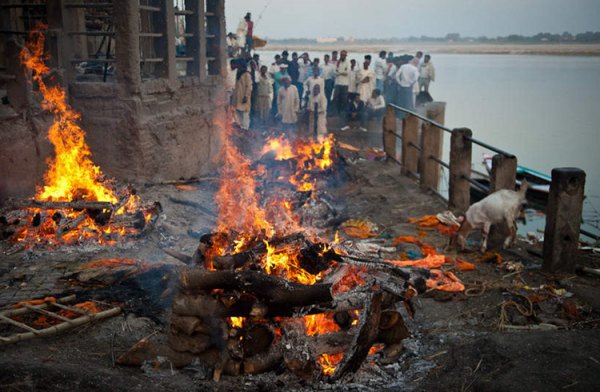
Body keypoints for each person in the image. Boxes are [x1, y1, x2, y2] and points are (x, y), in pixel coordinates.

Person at [235, 61, 253, 130]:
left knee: (245, 114)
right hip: (238, 97)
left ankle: (245, 128)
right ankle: (241, 128)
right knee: (239, 113)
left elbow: (249, 87)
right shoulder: (238, 74)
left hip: (244, 97)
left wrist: (246, 96)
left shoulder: (247, 75)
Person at [332, 50, 350, 116]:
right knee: (335, 98)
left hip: (345, 84)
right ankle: (335, 113)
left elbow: (347, 72)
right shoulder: (337, 63)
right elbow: (334, 72)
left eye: (344, 55)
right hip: (337, 83)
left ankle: (342, 113)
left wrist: (339, 72)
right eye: (342, 55)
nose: (343, 56)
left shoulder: (348, 63)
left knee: (344, 99)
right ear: (340, 55)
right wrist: (341, 71)